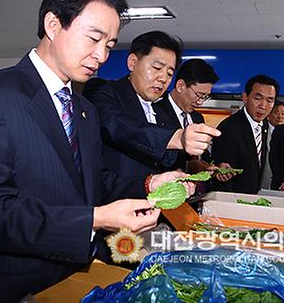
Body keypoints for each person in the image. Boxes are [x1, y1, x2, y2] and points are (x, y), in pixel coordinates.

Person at [0, 0, 193, 302]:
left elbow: (91, 181)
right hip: (16, 287)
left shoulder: (84, 109)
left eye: (109, 45)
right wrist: (95, 219)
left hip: (80, 279)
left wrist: (150, 184)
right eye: (94, 39)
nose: (102, 56)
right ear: (53, 24)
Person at [83, 32, 220, 201]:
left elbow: (161, 160)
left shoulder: (161, 112)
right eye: (156, 68)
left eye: (170, 73)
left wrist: (178, 174)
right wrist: (176, 137)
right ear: (133, 63)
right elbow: (116, 125)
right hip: (111, 208)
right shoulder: (103, 90)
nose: (163, 78)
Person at [154, 58, 235, 183]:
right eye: (199, 95)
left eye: (205, 97)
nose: (200, 102)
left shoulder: (197, 118)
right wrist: (189, 166)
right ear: (181, 86)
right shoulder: (155, 113)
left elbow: (202, 157)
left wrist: (214, 167)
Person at [211, 75, 279, 194]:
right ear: (245, 97)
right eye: (257, 98)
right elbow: (222, 168)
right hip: (233, 199)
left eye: (269, 100)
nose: (263, 106)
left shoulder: (265, 125)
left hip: (253, 196)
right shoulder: (229, 127)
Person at [260, 100, 284, 189]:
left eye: (283, 113)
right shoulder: (261, 131)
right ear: (268, 114)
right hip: (262, 180)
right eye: (276, 113)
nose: (280, 117)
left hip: (281, 183)